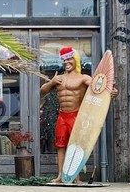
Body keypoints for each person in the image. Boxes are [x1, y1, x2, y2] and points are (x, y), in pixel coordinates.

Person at [40, 46, 116, 184]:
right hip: (62, 116)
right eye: (64, 60)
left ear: (76, 60)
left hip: (77, 116)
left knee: (76, 145)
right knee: (61, 146)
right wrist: (51, 82)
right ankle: (60, 176)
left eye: (69, 59)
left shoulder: (83, 78)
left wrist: (110, 92)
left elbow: (97, 88)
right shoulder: (59, 78)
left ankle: (76, 177)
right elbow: (42, 91)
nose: (66, 62)